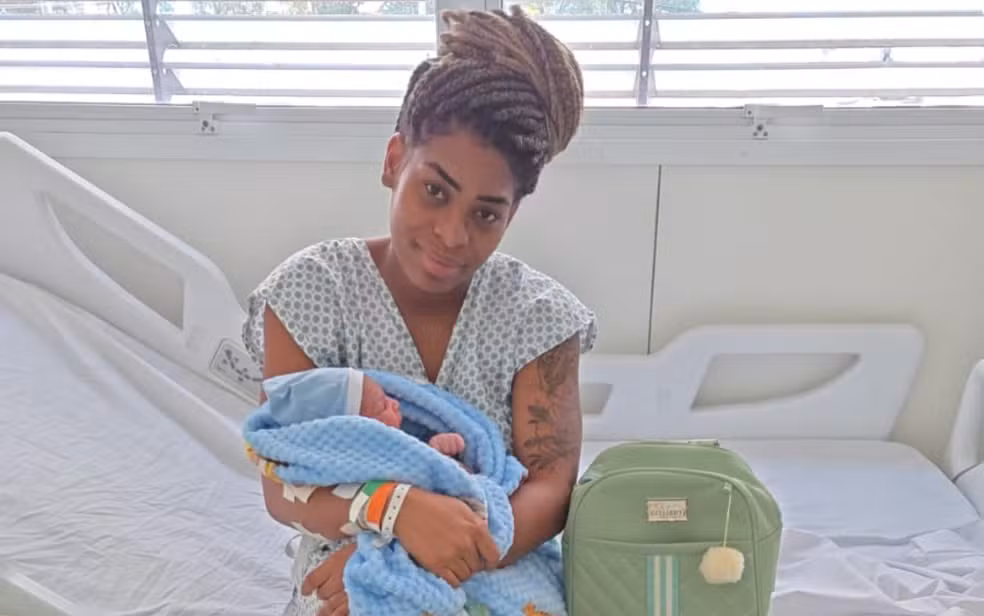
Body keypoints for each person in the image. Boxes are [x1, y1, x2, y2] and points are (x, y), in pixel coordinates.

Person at [242, 5, 596, 615]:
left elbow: (551, 487)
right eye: (435, 191)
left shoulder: (538, 319)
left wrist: (412, 559)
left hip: (497, 558)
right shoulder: (310, 294)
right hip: (346, 556)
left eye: (485, 213)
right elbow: (282, 477)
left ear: (511, 213)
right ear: (393, 161)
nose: (452, 235)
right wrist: (393, 517)